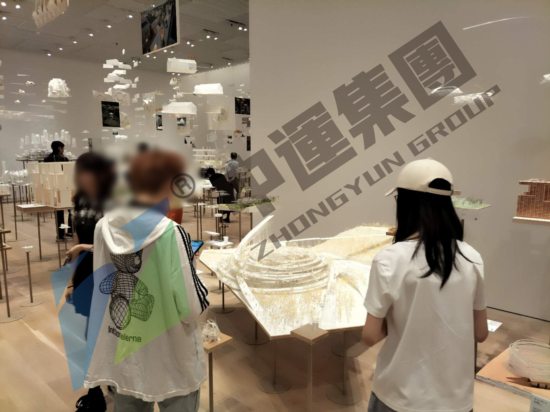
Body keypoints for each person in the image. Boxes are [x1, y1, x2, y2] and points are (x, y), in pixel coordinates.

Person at [84, 149, 208, 412]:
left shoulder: (102, 228)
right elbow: (190, 308)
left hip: (124, 351)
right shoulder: (172, 233)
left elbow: (103, 289)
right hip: (171, 356)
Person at [362, 159, 488, 412]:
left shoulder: (390, 259)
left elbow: (370, 336)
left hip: (399, 397)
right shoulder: (471, 257)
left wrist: (400, 320)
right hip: (456, 400)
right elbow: (481, 332)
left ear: (404, 203)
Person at [64, 152, 116, 412]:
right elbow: (76, 241)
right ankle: (95, 391)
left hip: (107, 271)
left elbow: (117, 244)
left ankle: (112, 382)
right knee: (88, 333)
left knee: (109, 331)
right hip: (85, 271)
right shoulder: (79, 200)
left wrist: (82, 247)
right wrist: (71, 282)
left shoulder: (113, 201)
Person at [44, 141, 71, 239]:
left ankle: (60, 233)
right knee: (70, 209)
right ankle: (70, 231)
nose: (63, 150)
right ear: (59, 148)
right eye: (63, 148)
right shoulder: (64, 159)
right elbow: (68, 173)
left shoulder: (47, 159)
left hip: (53, 188)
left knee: (59, 212)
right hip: (65, 187)